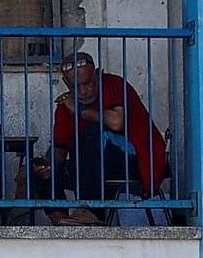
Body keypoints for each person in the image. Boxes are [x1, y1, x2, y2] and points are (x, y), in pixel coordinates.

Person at [36, 52, 174, 219]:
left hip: (136, 161)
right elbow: (59, 148)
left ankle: (91, 214)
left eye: (87, 83)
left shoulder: (113, 84)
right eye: (75, 86)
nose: (83, 92)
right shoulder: (66, 106)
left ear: (97, 74)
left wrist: (79, 111)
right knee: (38, 172)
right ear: (66, 83)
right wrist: (46, 165)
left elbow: (117, 122)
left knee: (92, 132)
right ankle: (65, 228)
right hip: (89, 168)